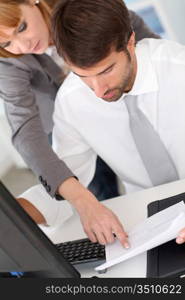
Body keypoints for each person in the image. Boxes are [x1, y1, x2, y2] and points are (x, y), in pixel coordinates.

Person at [0, 0, 160, 245]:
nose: (22, 45)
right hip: (64, 128)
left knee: (149, 168)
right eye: (6, 43)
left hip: (123, 106)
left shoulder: (84, 9)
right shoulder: (9, 62)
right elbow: (24, 130)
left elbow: (156, 53)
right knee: (98, 199)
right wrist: (84, 202)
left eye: (21, 28)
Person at [51, 0, 185, 245]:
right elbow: (65, 171)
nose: (98, 91)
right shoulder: (71, 102)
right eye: (83, 76)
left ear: (130, 42)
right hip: (144, 222)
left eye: (106, 70)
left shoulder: (178, 67)